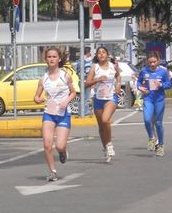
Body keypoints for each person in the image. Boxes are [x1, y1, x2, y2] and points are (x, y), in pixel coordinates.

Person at [33, 47, 77, 181]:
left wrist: (66, 101)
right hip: (49, 114)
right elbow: (36, 96)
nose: (51, 59)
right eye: (49, 57)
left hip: (63, 114)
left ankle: (63, 152)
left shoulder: (65, 76)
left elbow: (73, 92)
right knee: (47, 144)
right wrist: (38, 99)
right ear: (46, 59)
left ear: (59, 59)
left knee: (59, 146)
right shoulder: (43, 78)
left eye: (54, 57)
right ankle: (52, 171)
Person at [85, 46, 121, 162]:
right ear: (96, 56)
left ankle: (109, 143)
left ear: (107, 54)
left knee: (106, 120)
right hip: (98, 99)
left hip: (111, 98)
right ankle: (105, 147)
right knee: (101, 126)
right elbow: (87, 83)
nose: (101, 54)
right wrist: (97, 80)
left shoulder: (113, 66)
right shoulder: (94, 68)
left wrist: (118, 85)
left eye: (103, 52)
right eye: (99, 53)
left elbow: (118, 76)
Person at [137, 53, 171, 157]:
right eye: (150, 62)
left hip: (159, 99)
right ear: (147, 61)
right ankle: (151, 137)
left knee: (158, 123)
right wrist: (140, 87)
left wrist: (161, 85)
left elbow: (168, 84)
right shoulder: (144, 71)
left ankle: (160, 145)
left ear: (158, 61)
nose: (152, 64)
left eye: (154, 62)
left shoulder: (163, 72)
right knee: (147, 119)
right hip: (148, 98)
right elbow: (138, 82)